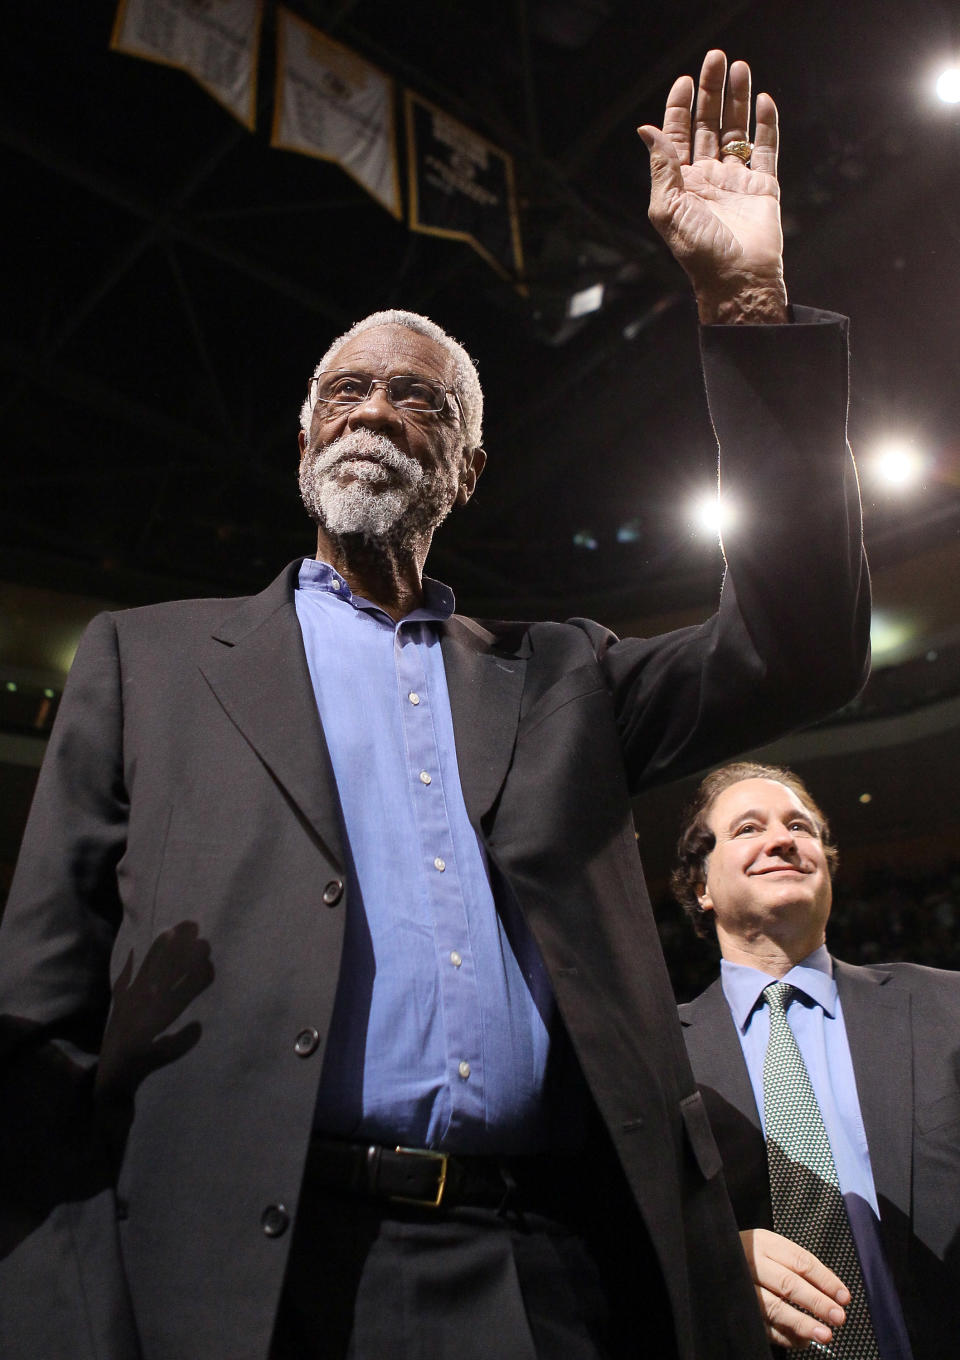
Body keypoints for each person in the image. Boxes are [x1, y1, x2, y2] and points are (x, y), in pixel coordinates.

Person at [0, 52, 869, 1360]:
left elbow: (801, 647)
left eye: (418, 399)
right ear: (302, 449)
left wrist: (745, 302)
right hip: (237, 1289)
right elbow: (33, 1024)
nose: (375, 411)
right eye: (346, 391)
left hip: (546, 1278)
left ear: (464, 467)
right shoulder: (149, 662)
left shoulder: (563, 671)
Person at [674, 762, 960, 1359]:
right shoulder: (659, 1055)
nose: (783, 838)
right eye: (748, 828)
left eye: (799, 826)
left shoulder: (946, 1005)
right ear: (701, 886)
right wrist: (710, 1256)